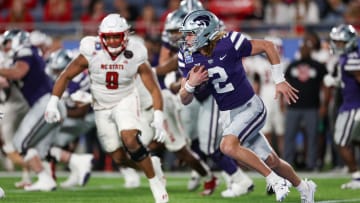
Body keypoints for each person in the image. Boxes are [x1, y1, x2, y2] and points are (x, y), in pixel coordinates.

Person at [178, 10, 317, 202]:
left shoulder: (229, 42)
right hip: (228, 114)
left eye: (191, 33)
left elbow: (268, 46)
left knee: (227, 146)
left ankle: (275, 181)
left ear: (205, 32)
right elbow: (184, 99)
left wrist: (279, 80)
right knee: (271, 160)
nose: (187, 39)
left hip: (250, 107)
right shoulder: (188, 56)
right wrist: (190, 85)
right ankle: (305, 187)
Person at [44, 14, 169, 203]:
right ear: (101, 37)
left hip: (126, 99)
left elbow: (153, 87)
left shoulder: (135, 52)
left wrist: (158, 117)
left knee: (130, 139)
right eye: (108, 37)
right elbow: (65, 75)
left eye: (116, 36)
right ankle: (151, 165)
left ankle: (156, 185)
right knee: (118, 157)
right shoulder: (91, 49)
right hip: (101, 106)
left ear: (125, 36)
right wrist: (53, 102)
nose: (112, 41)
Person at [155, 0, 254, 197]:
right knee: (195, 139)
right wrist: (180, 82)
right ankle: (231, 176)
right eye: (178, 31)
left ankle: (244, 178)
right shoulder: (184, 46)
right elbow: (167, 65)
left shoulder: (214, 32)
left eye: (186, 32)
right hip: (197, 94)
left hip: (215, 93)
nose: (180, 36)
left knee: (212, 143)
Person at [0, 29, 67, 191]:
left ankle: (45, 178)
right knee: (36, 147)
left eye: (8, 42)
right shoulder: (28, 54)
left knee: (19, 142)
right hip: (50, 103)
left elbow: (18, 72)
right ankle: (49, 177)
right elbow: (10, 80)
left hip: (45, 103)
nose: (6, 47)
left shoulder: (25, 51)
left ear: (17, 40)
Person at [325, 24, 360, 189]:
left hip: (353, 106)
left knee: (341, 141)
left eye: (340, 42)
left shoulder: (353, 58)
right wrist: (337, 82)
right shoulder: (347, 57)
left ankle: (357, 177)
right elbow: (350, 80)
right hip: (350, 104)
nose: (337, 45)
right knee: (355, 140)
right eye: (336, 42)